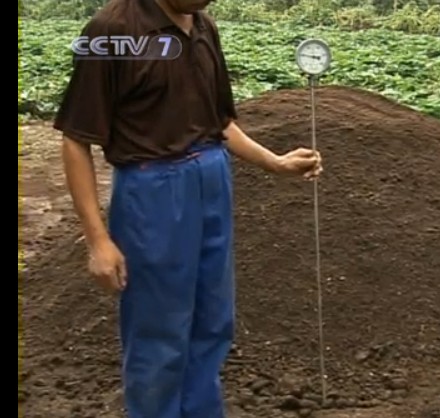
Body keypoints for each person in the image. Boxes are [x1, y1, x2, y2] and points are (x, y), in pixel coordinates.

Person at [53, 0, 323, 417]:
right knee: (158, 331)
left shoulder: (203, 26)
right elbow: (76, 139)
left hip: (212, 176)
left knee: (213, 321)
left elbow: (218, 123)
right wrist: (98, 240)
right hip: (153, 188)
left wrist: (276, 162)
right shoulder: (111, 30)